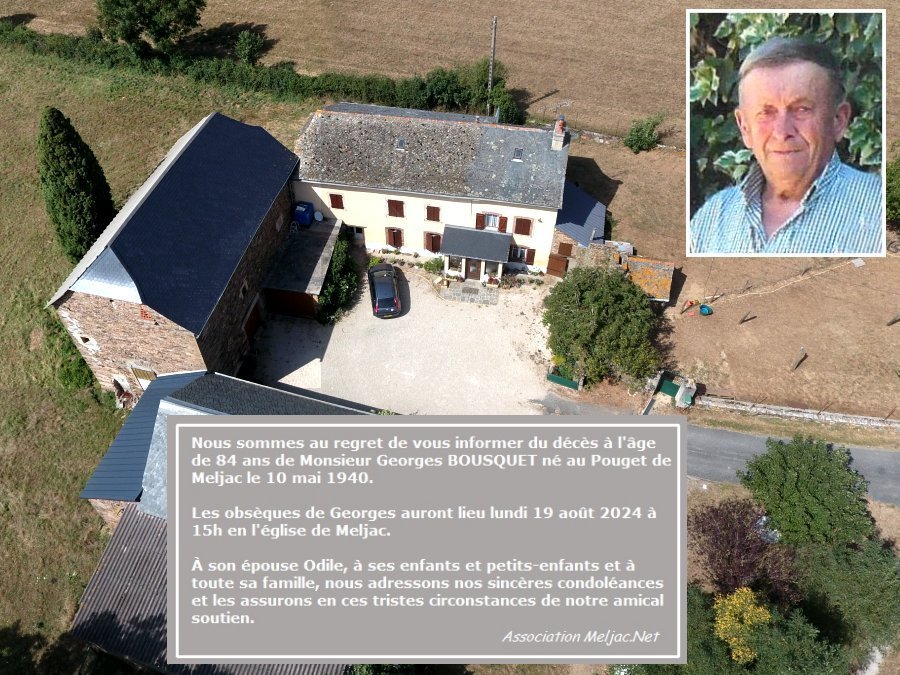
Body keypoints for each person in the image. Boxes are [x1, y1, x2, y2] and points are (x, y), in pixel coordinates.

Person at [690, 36, 883, 254]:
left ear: (838, 120)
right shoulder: (711, 220)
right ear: (745, 128)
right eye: (766, 112)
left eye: (801, 109)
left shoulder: (881, 211)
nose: (782, 132)